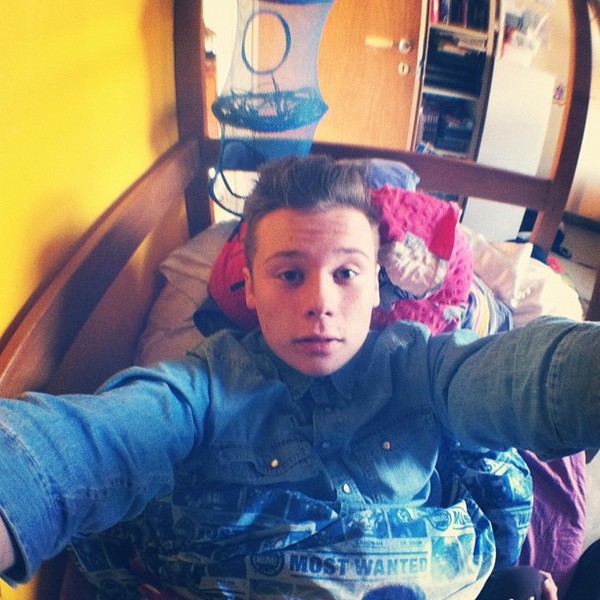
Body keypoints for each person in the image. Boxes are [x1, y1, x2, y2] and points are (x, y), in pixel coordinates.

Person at [0, 154, 596, 599]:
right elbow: (93, 441)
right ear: (250, 288)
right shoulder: (206, 385)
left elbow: (519, 375)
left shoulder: (420, 364)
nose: (320, 302)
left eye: (346, 273)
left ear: (377, 286)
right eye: (289, 274)